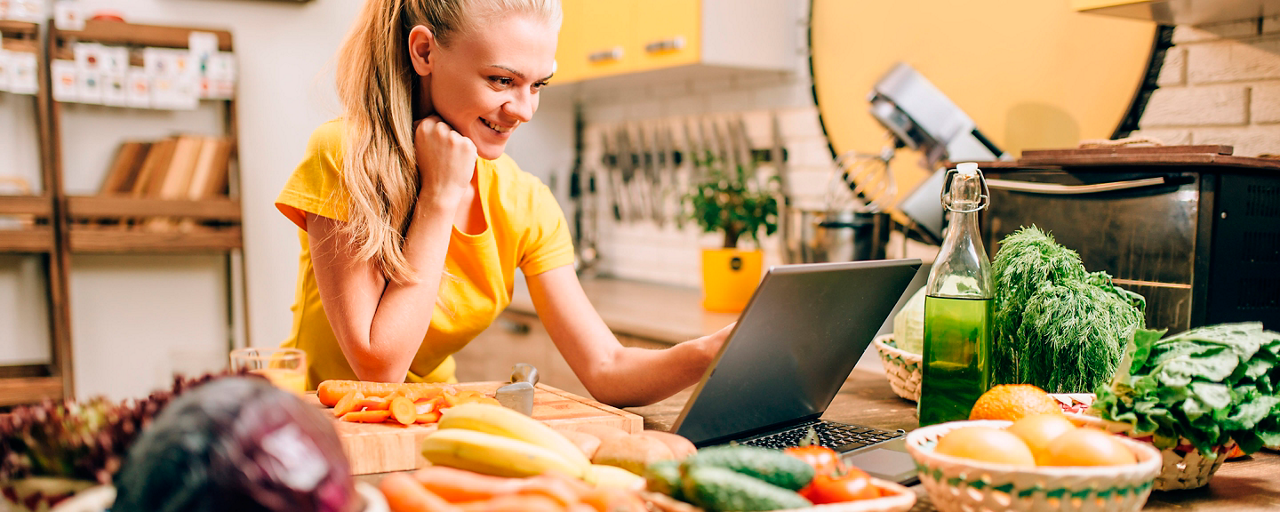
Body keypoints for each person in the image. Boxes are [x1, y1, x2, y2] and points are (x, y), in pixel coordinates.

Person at [275, 0, 731, 407]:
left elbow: (607, 367)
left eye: (538, 85)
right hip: (315, 427)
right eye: (501, 80)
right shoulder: (345, 156)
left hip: (429, 423)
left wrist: (710, 351)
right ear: (425, 52)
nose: (524, 110)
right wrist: (439, 196)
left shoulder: (525, 203)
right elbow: (378, 369)